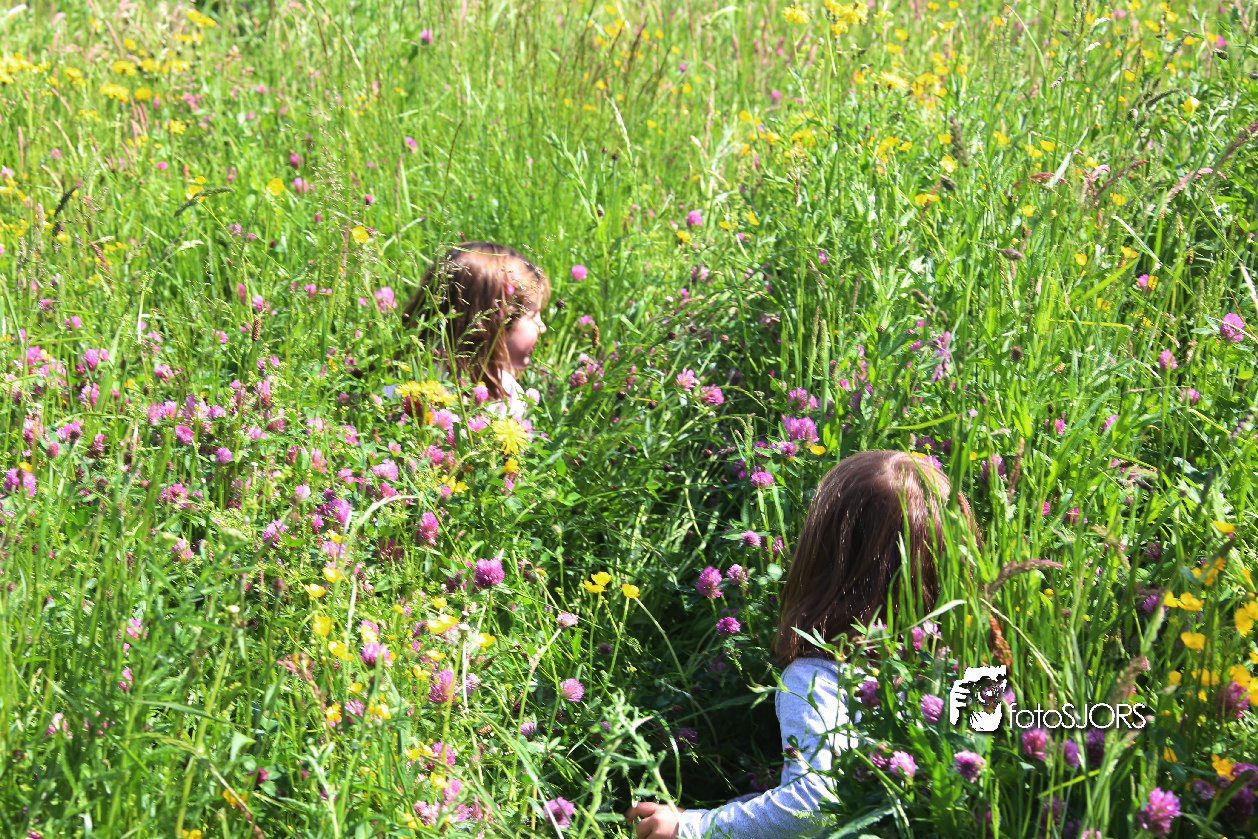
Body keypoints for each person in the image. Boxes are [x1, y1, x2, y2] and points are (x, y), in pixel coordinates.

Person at [626, 451, 977, 838]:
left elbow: (813, 806)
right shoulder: (968, 658)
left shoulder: (818, 678)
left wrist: (694, 827)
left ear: (822, 556)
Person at [400, 242, 549, 420]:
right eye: (534, 315)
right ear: (495, 320)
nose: (542, 327)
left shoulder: (406, 380)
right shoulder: (506, 395)